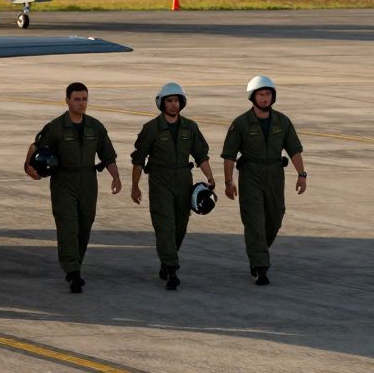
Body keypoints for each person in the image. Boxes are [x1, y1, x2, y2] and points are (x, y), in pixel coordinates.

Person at [24, 82, 121, 293]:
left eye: (84, 99)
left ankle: (75, 264)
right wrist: (27, 166)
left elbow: (108, 155)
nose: (81, 103)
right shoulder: (56, 127)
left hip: (88, 181)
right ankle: (73, 272)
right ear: (67, 100)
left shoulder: (95, 127)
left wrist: (116, 177)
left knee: (85, 225)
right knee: (68, 226)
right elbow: (36, 146)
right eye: (77, 99)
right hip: (63, 181)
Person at [221, 75, 307, 286]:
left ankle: (258, 250)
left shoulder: (282, 121)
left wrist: (302, 174)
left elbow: (294, 149)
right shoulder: (241, 123)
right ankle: (260, 266)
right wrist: (228, 182)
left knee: (275, 217)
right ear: (253, 97)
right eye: (260, 94)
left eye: (268, 94)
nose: (265, 98)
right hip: (251, 174)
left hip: (276, 174)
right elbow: (229, 155)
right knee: (254, 221)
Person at [130, 82, 215, 290]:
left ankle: (166, 260)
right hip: (160, 180)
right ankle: (171, 268)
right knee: (165, 226)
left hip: (184, 181)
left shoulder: (190, 127)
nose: (174, 105)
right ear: (162, 103)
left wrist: (210, 177)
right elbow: (139, 160)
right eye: (169, 101)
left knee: (180, 228)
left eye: (177, 100)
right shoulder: (151, 129)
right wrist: (135, 186)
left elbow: (200, 155)